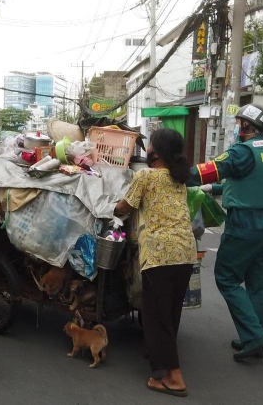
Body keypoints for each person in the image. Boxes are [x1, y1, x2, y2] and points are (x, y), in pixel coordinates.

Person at [188, 104, 263, 361]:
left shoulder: (243, 152)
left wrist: (176, 174)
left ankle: (255, 337)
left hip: (244, 224)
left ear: (247, 125)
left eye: (239, 122)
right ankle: (255, 338)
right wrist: (215, 189)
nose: (237, 126)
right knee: (258, 285)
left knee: (227, 278)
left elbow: (208, 170)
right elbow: (252, 181)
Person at [115, 128, 196, 397]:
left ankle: (174, 379)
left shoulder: (145, 176)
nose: (147, 149)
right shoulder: (179, 179)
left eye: (149, 145)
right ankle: (159, 354)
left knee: (155, 317)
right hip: (185, 252)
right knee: (170, 313)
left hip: (160, 255)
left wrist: (111, 207)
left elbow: (125, 207)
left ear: (156, 152)